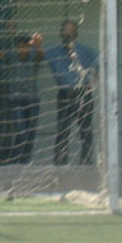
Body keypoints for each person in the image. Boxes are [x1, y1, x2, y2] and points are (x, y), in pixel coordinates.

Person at [0, 29, 43, 164]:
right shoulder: (11, 56)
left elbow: (40, 56)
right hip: (16, 101)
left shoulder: (33, 57)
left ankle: (25, 162)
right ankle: (16, 161)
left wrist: (37, 46)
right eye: (19, 47)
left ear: (29, 48)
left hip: (32, 101)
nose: (21, 49)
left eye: (24, 46)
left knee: (30, 134)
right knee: (21, 132)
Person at [45, 19, 98, 165]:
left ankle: (86, 162)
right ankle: (60, 163)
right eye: (66, 31)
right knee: (62, 130)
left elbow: (101, 64)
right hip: (64, 94)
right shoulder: (53, 51)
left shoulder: (84, 50)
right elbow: (36, 53)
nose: (68, 34)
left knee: (85, 130)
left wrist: (92, 83)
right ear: (61, 33)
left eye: (71, 31)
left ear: (76, 34)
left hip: (83, 93)